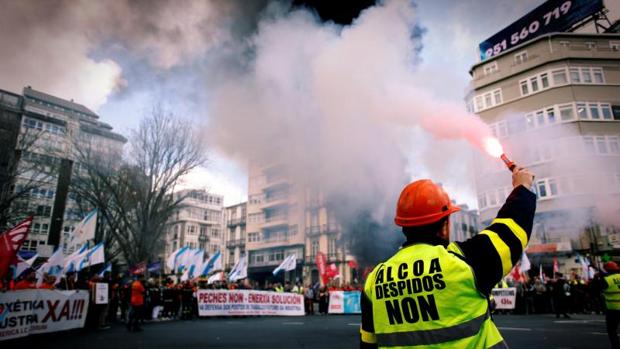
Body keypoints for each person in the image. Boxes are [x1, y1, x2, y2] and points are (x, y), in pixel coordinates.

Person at [360, 166, 535, 349]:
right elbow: (511, 231)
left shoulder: (374, 281)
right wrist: (522, 187)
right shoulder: (465, 262)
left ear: (403, 225)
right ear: (445, 226)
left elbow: (368, 345)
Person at [600, 261, 620, 349]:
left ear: (607, 270)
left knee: (612, 331)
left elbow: (597, 289)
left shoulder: (607, 279)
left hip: (613, 310)